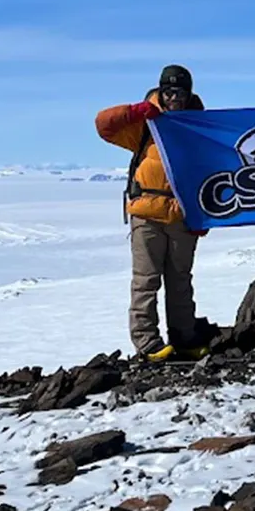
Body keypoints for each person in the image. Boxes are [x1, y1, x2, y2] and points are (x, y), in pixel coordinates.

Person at [95, 64, 210, 362]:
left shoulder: (198, 128)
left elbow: (209, 172)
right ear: (160, 91)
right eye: (169, 92)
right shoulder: (147, 124)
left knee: (180, 281)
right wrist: (137, 111)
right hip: (146, 212)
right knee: (146, 280)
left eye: (181, 93)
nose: (175, 99)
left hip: (182, 215)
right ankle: (148, 344)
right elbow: (104, 125)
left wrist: (203, 216)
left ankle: (184, 340)